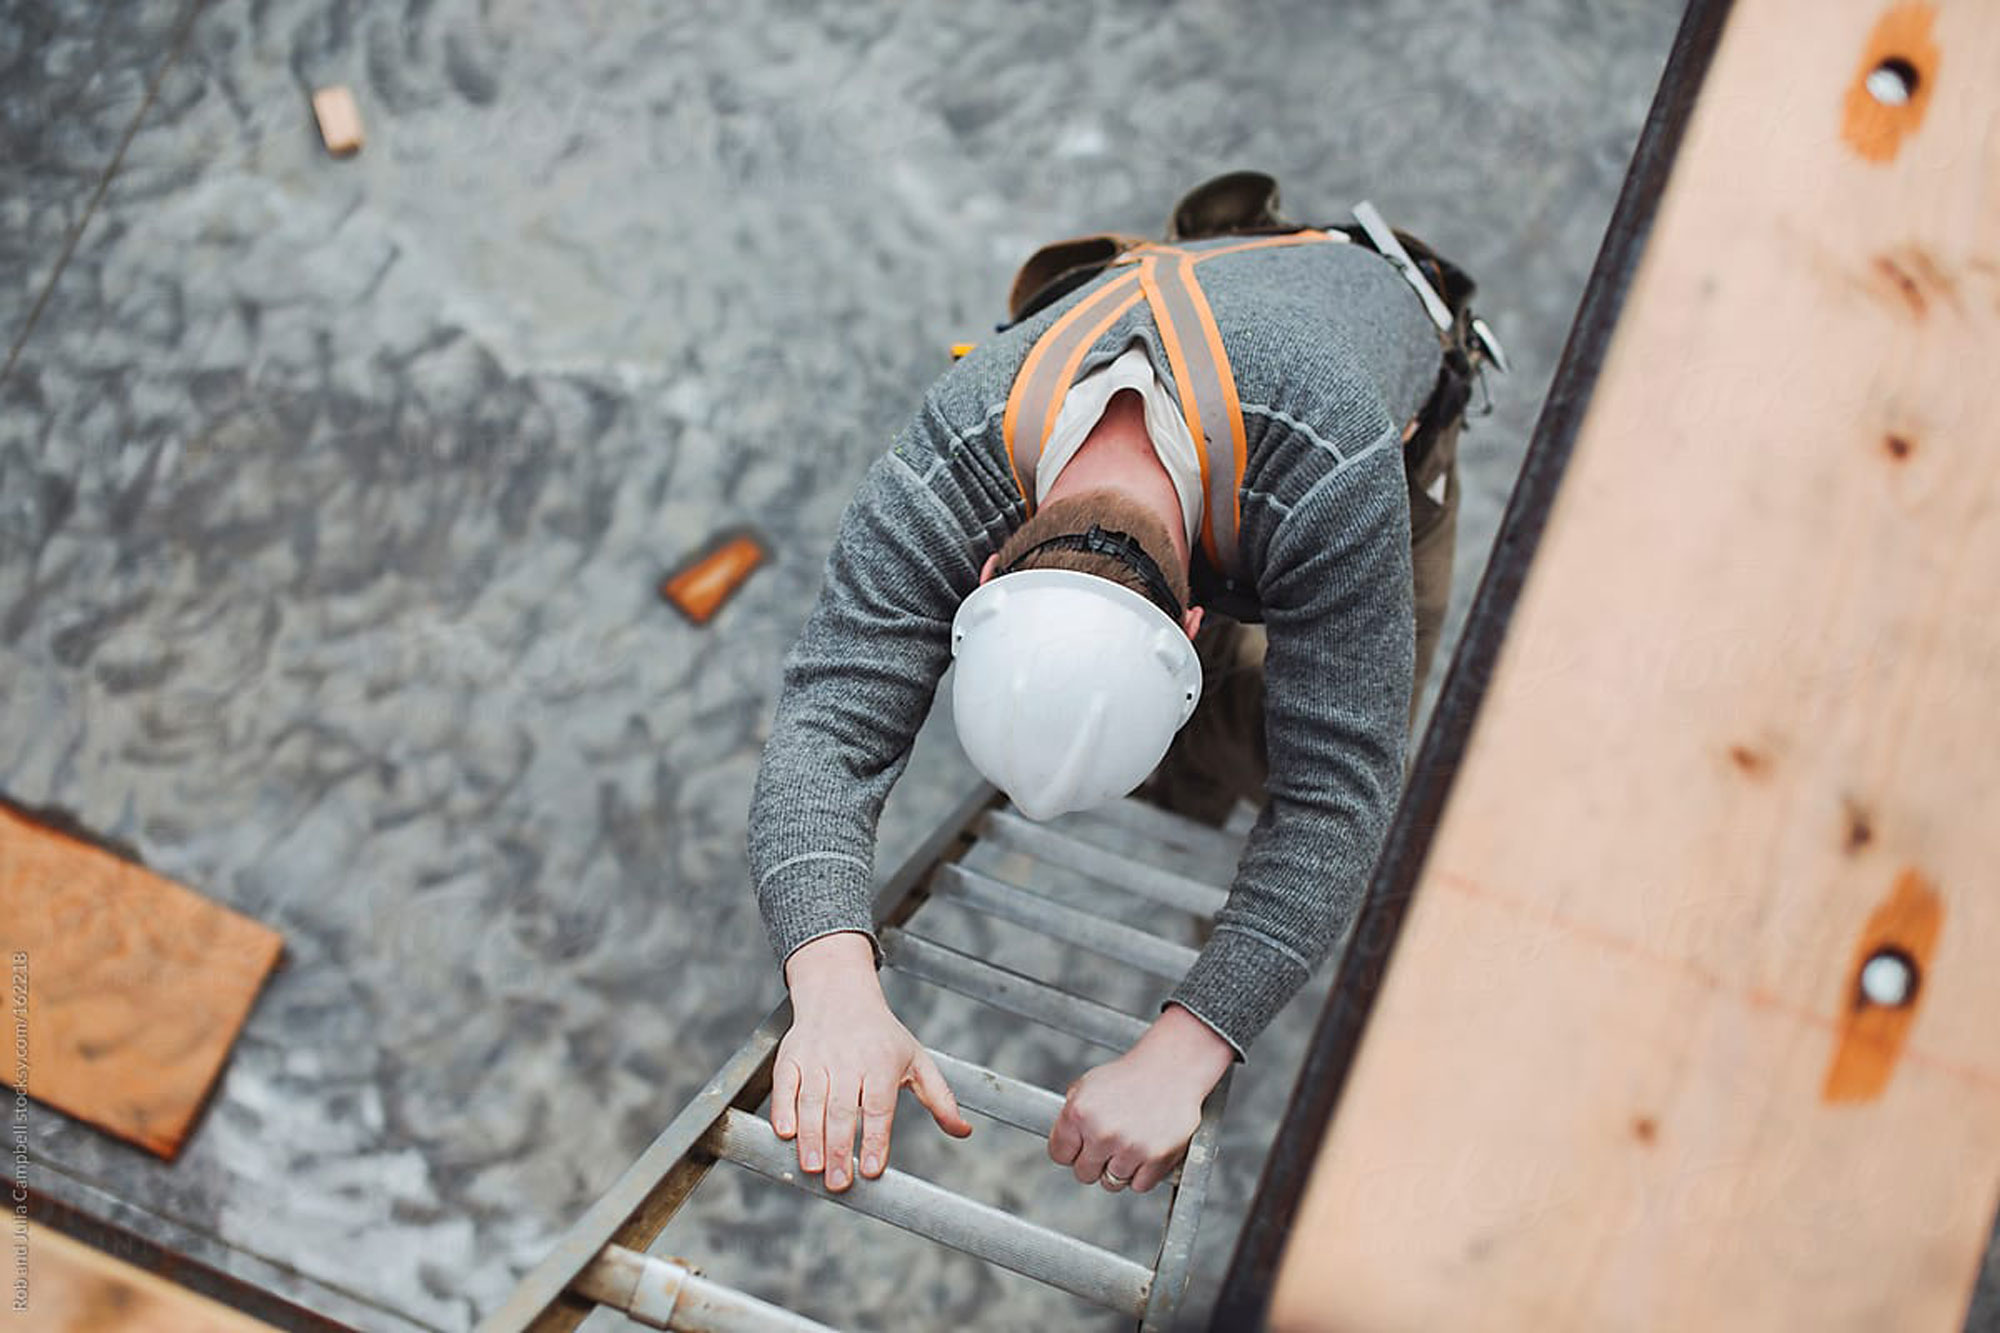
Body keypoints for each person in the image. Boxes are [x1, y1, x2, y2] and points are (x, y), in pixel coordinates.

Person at [746, 173, 1487, 1197]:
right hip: (1210, 355)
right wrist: (829, 991)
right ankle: (1222, 848)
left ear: (1196, 624)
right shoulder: (949, 460)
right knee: (1227, 762)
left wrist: (1191, 1045)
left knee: (1310, 741)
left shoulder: (1330, 474)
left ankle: (1233, 862)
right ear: (986, 565)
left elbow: (1337, 791)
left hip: (1361, 362)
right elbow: (826, 724)